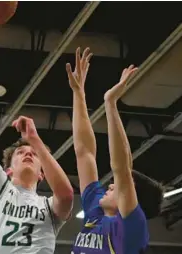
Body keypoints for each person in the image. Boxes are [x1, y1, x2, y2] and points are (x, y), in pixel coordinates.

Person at [0, 13, 74, 254]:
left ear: (41, 175)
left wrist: (35, 140)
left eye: (33, 155)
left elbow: (66, 194)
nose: (28, 154)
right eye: (22, 153)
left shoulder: (48, 207)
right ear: (8, 169)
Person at [66, 47, 164, 254]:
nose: (110, 184)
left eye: (119, 186)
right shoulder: (95, 211)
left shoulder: (131, 228)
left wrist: (110, 103)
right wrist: (78, 94)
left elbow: (122, 169)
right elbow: (84, 153)